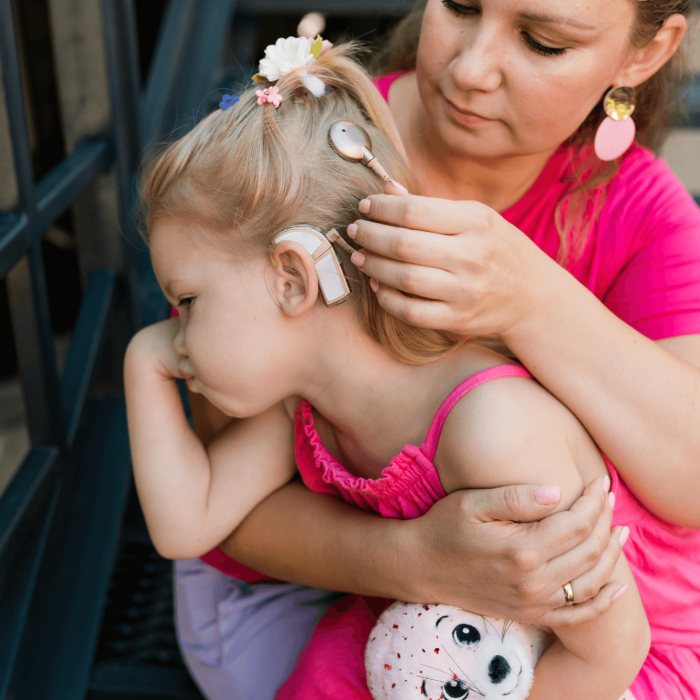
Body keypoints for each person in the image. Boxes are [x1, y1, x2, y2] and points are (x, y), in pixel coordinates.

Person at [124, 31, 699, 700]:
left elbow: (613, 649)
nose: (179, 336)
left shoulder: (493, 432)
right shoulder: (303, 404)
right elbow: (186, 523)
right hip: (468, 611)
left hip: (623, 648)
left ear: (291, 280)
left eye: (187, 304)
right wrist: (145, 358)